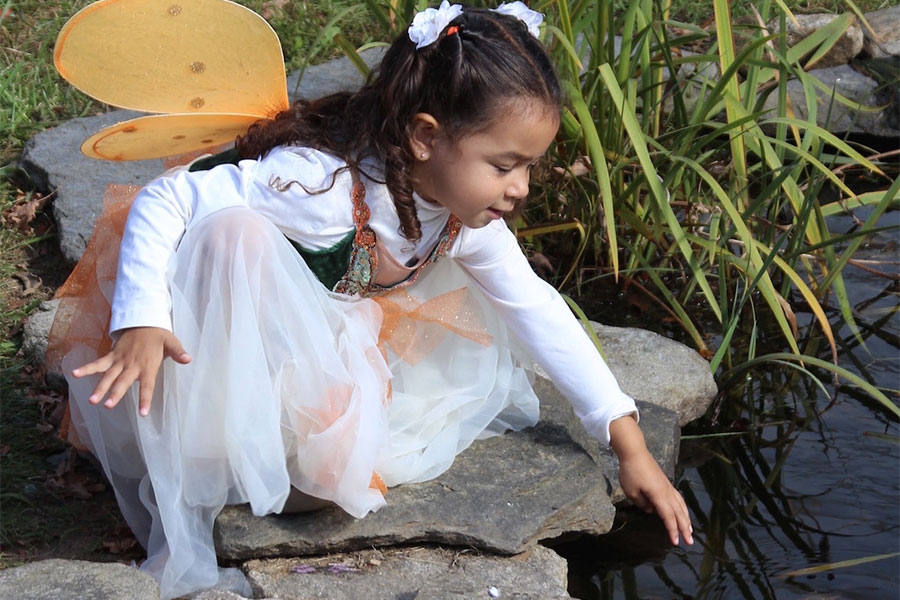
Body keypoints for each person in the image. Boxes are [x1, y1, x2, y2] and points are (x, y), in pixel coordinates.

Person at [54, 2, 692, 598]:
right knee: (234, 231)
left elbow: (538, 311)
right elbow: (167, 201)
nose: (520, 188)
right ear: (424, 137)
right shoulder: (316, 187)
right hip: (221, 318)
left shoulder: (465, 220)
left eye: (529, 167)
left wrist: (628, 444)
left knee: (331, 478)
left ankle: (283, 431)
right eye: (503, 166)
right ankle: (217, 436)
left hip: (315, 328)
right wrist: (140, 316)